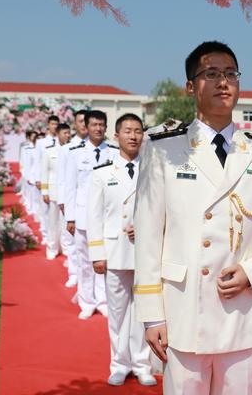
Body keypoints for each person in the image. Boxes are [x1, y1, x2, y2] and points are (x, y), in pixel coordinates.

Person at [134, 41, 252, 395]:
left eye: (230, 74)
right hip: (182, 309)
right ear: (190, 86)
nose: (223, 82)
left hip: (241, 309)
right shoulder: (163, 147)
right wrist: (152, 315)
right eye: (211, 74)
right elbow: (148, 237)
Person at [87, 114, 156, 387]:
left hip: (145, 251)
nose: (133, 136)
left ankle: (142, 364)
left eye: (138, 131)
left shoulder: (153, 170)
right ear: (116, 136)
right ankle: (119, 363)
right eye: (128, 131)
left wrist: (146, 228)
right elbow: (94, 217)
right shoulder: (102, 173)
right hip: (114, 253)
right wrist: (97, 254)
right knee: (116, 313)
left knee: (144, 311)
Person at [64, 110, 118, 319]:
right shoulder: (75, 153)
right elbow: (70, 187)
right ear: (86, 127)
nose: (98, 128)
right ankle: (87, 301)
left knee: (105, 261)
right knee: (85, 261)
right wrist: (70, 217)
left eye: (101, 125)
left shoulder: (113, 152)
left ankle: (103, 300)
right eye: (94, 125)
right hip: (83, 215)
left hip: (107, 216)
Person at [57, 109, 88, 288]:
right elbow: (62, 178)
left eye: (86, 121)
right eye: (80, 121)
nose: (83, 124)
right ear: (75, 124)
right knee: (72, 240)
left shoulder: (99, 147)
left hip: (90, 204)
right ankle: (74, 272)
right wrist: (63, 203)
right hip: (71, 201)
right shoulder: (67, 148)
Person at [41, 123, 71, 260]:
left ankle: (65, 247)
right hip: (53, 192)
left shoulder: (72, 150)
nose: (67, 135)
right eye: (65, 133)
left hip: (67, 192)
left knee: (66, 221)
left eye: (69, 133)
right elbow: (44, 172)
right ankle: (52, 248)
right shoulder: (49, 151)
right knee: (53, 222)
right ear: (58, 134)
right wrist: (44, 191)